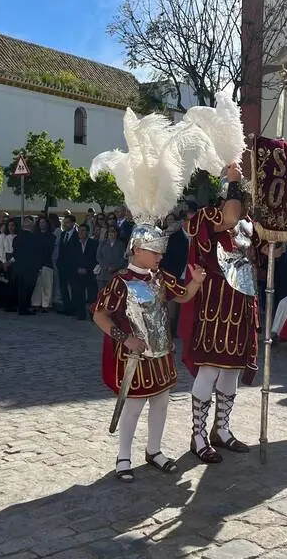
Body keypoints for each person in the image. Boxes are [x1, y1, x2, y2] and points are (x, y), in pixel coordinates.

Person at [88, 106, 209, 482]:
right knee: (135, 406)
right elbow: (100, 315)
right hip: (135, 353)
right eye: (153, 250)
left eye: (159, 251)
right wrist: (125, 339)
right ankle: (123, 458)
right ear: (137, 249)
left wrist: (196, 283)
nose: (158, 255)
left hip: (161, 352)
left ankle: (153, 450)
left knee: (161, 402)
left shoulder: (161, 277)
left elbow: (183, 296)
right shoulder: (121, 281)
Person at [179, 164, 261, 464]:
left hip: (241, 301)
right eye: (234, 196)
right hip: (215, 302)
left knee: (232, 369)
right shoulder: (209, 216)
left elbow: (260, 250)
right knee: (210, 368)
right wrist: (235, 183)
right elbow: (228, 216)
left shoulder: (249, 223)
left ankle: (222, 429)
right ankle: (198, 435)